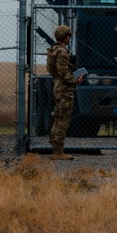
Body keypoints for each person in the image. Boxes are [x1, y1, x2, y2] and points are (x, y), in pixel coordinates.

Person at [47, 24, 83, 160]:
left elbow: (53, 70)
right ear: (65, 36)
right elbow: (63, 72)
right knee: (63, 120)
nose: (69, 38)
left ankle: (56, 148)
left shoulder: (53, 50)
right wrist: (75, 80)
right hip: (64, 90)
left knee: (58, 118)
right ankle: (58, 151)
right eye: (68, 35)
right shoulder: (61, 52)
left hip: (58, 88)